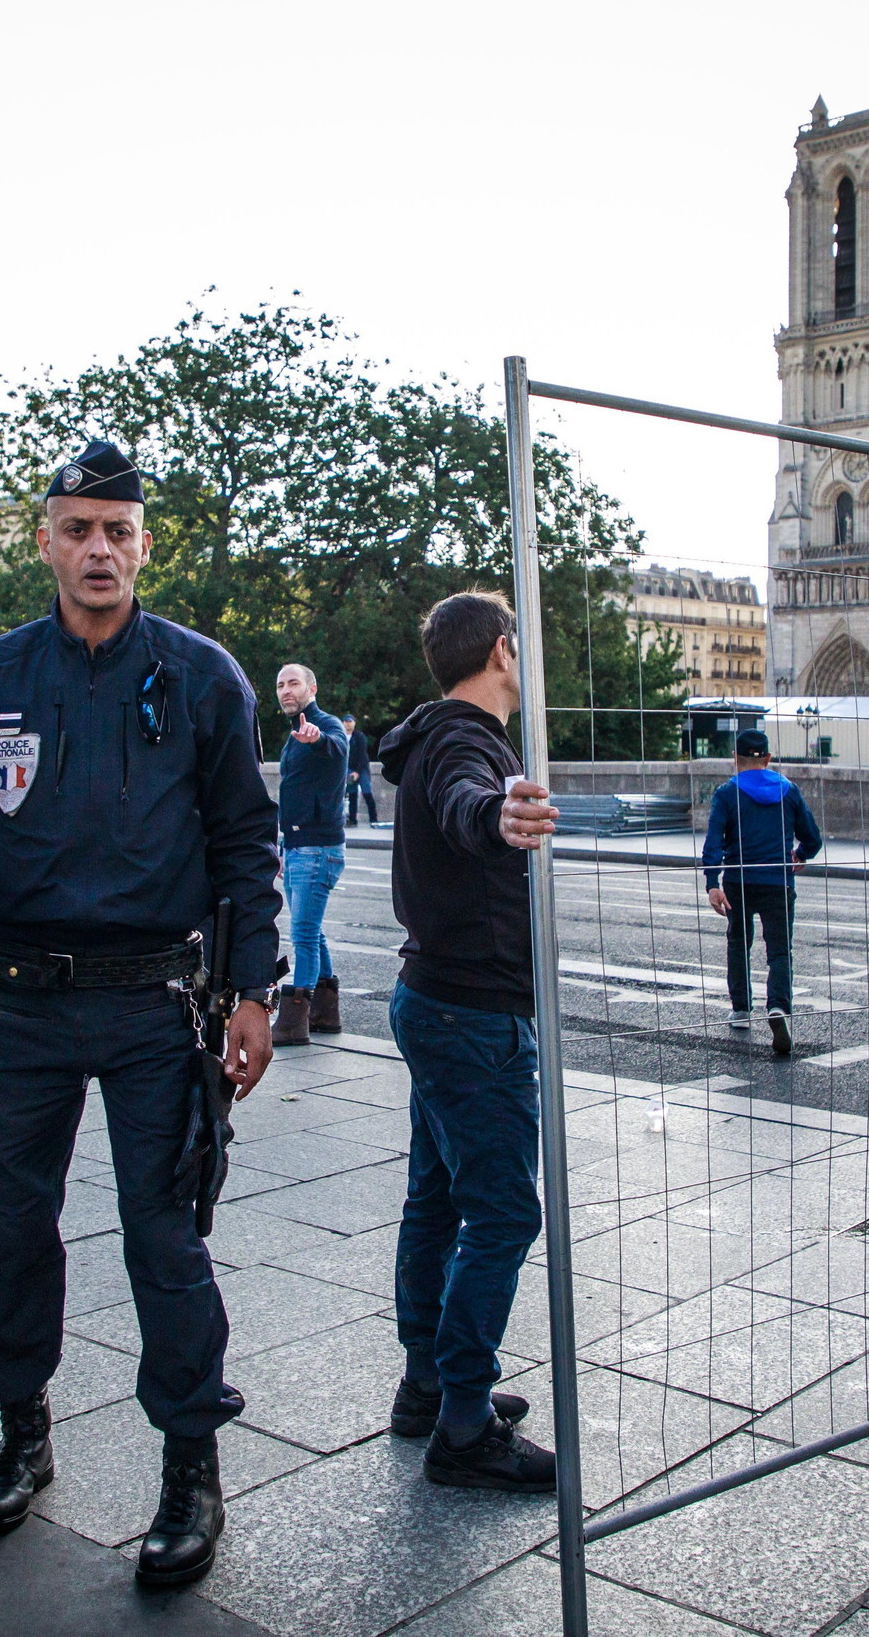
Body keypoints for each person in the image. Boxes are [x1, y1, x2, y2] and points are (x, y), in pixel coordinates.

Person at [0, 438, 280, 1587]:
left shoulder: (203, 676)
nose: (98, 548)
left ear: (145, 544)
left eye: (118, 530)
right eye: (77, 528)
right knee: (13, 1230)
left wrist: (255, 987)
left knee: (166, 1238)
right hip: (19, 1004)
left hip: (157, 1004)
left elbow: (249, 843)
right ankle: (19, 1434)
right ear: (45, 539)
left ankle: (189, 1467)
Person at [374, 590, 561, 1492]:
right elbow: (466, 803)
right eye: (519, 644)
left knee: (437, 1202)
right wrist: (498, 818)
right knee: (503, 1213)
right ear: (499, 650)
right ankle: (461, 1423)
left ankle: (428, 1383)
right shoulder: (462, 744)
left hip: (435, 1000)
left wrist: (488, 812)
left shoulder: (435, 735)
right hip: (473, 1015)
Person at [701, 728, 823, 1056]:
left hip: (739, 882)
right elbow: (812, 836)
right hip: (778, 882)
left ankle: (741, 1009)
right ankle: (779, 1007)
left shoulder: (727, 793)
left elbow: (713, 841)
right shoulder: (789, 791)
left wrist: (713, 883)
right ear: (768, 759)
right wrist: (801, 854)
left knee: (739, 943)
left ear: (734, 760)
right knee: (780, 951)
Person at [271, 662, 348, 1046]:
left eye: (294, 683)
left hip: (319, 848)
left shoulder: (325, 725)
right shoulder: (292, 734)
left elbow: (337, 748)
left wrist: (317, 738)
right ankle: (325, 1014)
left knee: (302, 932)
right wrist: (284, 844)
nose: (286, 690)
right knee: (311, 931)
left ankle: (292, 1022)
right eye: (281, 685)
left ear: (311, 687)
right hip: (300, 846)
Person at [346, 720, 380, 827]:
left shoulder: (359, 736)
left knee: (367, 793)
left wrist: (357, 772)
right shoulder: (343, 736)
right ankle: (352, 820)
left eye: (350, 722)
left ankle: (373, 819)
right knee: (352, 795)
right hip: (350, 769)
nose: (348, 724)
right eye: (346, 722)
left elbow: (362, 755)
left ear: (354, 723)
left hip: (362, 769)